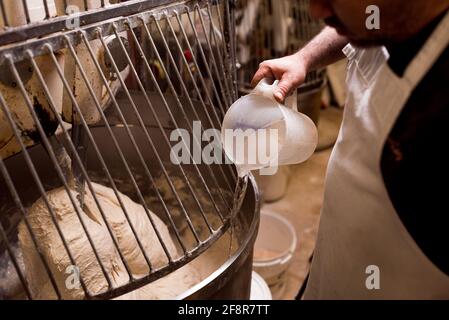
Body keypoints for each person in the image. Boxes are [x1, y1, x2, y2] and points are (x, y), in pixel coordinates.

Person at [252, 0, 449, 299]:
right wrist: (305, 58)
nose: (316, 11)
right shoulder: (382, 19)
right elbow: (366, 24)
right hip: (334, 258)